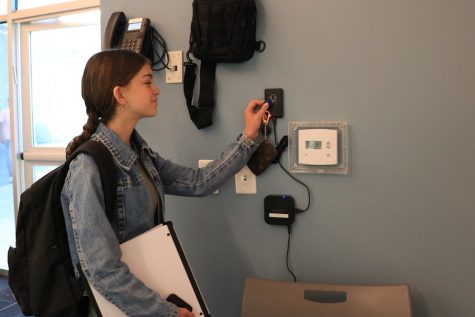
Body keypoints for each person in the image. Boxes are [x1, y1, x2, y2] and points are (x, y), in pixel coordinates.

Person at [61, 49, 269, 317]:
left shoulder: (138, 152)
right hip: (121, 307)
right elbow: (101, 269)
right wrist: (163, 312)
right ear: (120, 95)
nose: (156, 90)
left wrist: (248, 137)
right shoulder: (87, 168)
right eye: (147, 82)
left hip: (145, 297)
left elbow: (198, 182)